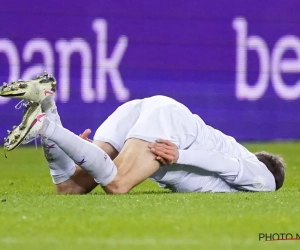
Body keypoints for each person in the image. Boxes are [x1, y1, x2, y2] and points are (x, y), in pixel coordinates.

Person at [0, 73, 285, 194]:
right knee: (118, 184)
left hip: (148, 110)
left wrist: (85, 152)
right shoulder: (265, 180)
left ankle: (47, 104)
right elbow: (228, 166)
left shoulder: (231, 161)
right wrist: (180, 154)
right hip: (171, 126)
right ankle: (44, 126)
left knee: (71, 188)